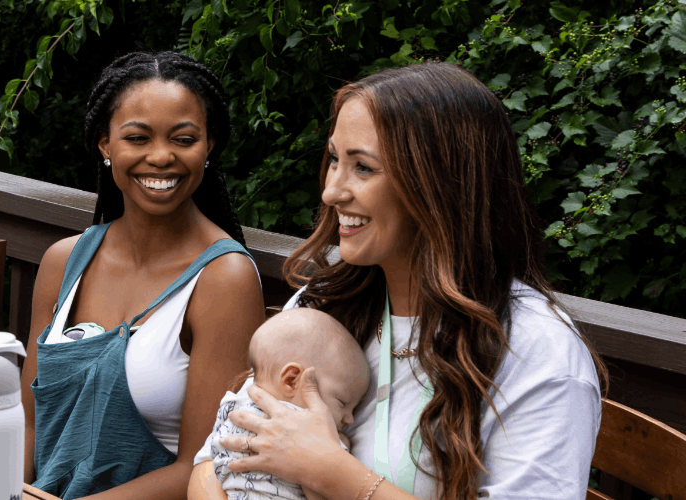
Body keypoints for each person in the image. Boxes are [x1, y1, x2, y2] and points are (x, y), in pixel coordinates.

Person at [189, 62, 605, 500]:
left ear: (440, 184)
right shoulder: (325, 306)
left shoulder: (536, 352)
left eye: (363, 167)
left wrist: (332, 471)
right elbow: (210, 463)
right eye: (334, 159)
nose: (332, 191)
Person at [19, 51, 266, 500]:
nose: (161, 157)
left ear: (208, 146)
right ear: (105, 144)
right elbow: (29, 421)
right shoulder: (64, 261)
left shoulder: (223, 279)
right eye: (137, 137)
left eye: (183, 138)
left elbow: (200, 465)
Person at [193, 308, 370, 500]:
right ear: (291, 380)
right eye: (342, 402)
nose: (349, 419)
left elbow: (206, 464)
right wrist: (336, 452)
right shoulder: (317, 436)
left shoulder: (233, 405)